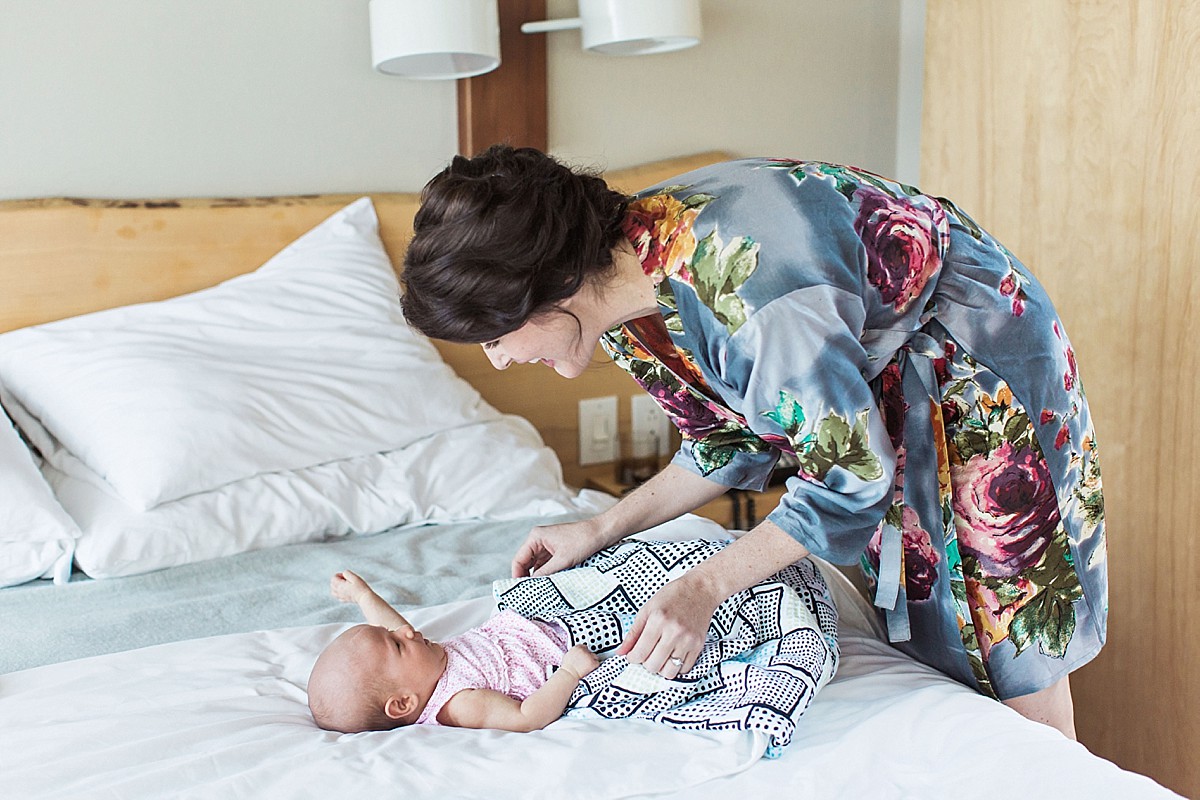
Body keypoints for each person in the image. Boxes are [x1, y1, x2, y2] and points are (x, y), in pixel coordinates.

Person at [399, 146, 1108, 740]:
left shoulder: (749, 295)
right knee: (934, 635)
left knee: (1011, 647)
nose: (497, 360)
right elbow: (726, 444)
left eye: (495, 337)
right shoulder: (622, 292)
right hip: (872, 389)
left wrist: (704, 587)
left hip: (972, 371)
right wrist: (600, 526)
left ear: (546, 286)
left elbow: (846, 475)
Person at [307, 569, 599, 733]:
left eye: (394, 632)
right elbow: (525, 717)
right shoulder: (458, 705)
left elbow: (390, 628)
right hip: (569, 645)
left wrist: (362, 596)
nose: (407, 631)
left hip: (542, 619)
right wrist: (570, 672)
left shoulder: (420, 670)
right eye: (397, 644)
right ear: (403, 704)